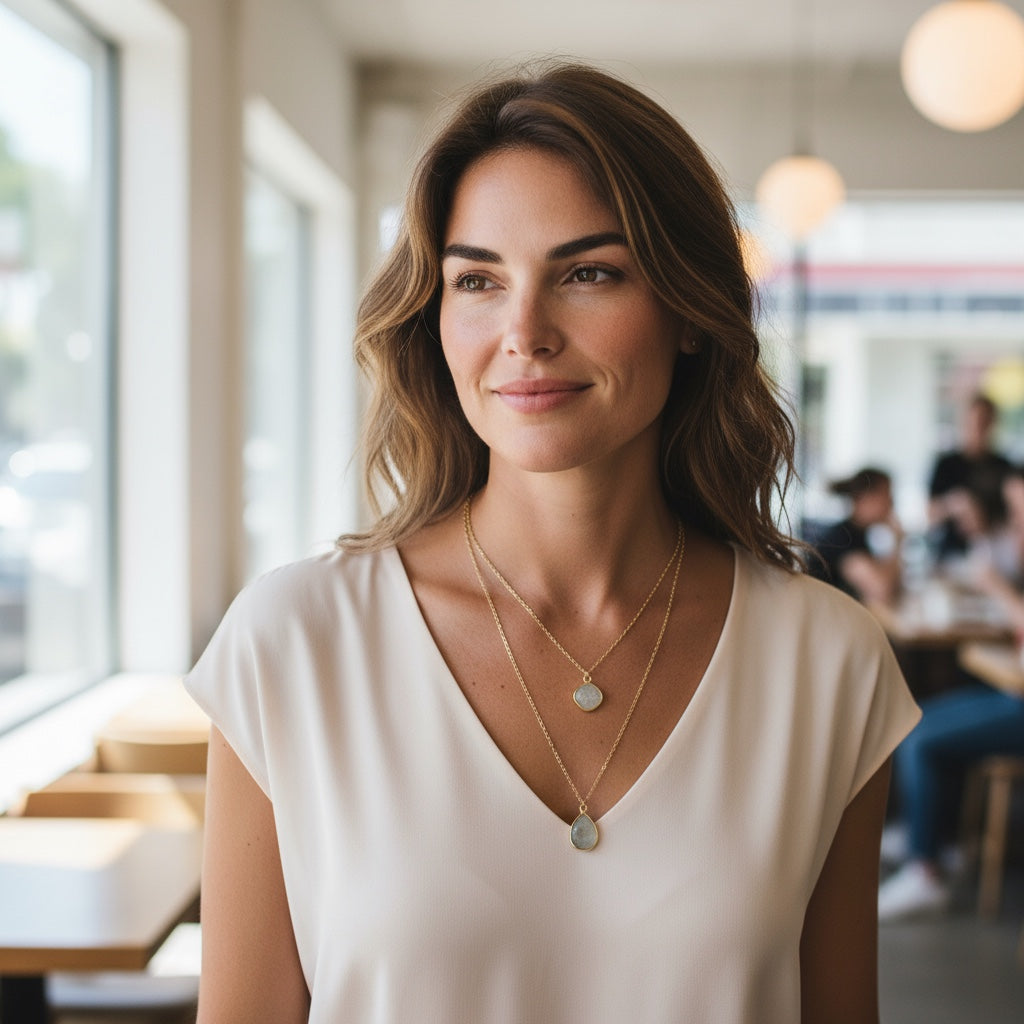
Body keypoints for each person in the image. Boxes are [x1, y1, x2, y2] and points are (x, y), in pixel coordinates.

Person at [185, 61, 919, 1024]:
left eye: (588, 273)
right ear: (435, 319)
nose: (524, 331)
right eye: (477, 280)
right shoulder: (293, 641)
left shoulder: (828, 659)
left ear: (689, 312)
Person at [878, 471, 1024, 921]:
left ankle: (925, 869)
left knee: (920, 737)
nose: (1015, 522)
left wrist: (998, 588)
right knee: (916, 718)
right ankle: (936, 841)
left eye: (1019, 511)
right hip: (1011, 692)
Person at [928, 392, 1013, 561]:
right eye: (974, 421)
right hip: (952, 554)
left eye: (984, 421)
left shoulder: (1004, 466)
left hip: (994, 552)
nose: (978, 428)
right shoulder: (947, 464)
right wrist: (955, 504)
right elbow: (930, 513)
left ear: (993, 423)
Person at [810, 466, 903, 604]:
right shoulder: (842, 539)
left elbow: (894, 587)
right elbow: (882, 590)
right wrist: (897, 542)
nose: (891, 503)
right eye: (887, 495)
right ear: (867, 498)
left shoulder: (859, 534)